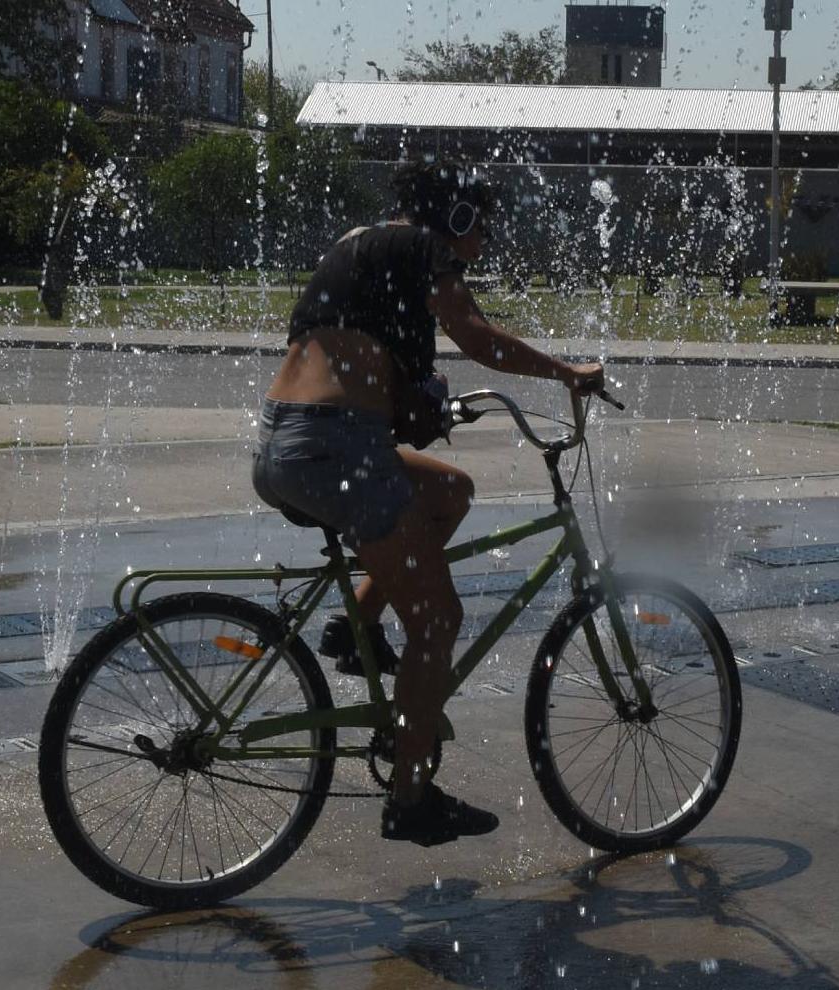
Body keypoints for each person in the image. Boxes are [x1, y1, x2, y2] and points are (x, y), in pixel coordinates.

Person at [252, 159, 604, 846]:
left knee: (448, 491)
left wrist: (415, 398)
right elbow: (478, 338)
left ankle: (349, 628)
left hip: (286, 442)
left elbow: (361, 354)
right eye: (481, 223)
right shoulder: (426, 249)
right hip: (338, 449)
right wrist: (566, 372)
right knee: (439, 620)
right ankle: (410, 799)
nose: (484, 241)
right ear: (458, 218)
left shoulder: (361, 240)